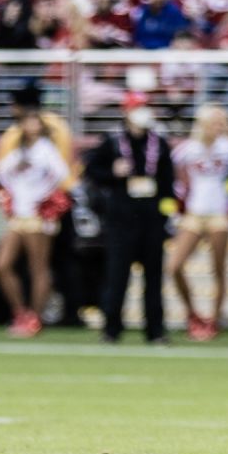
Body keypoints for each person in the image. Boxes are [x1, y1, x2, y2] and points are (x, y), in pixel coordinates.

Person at [84, 93, 175, 344]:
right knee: (117, 275)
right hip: (121, 219)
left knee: (154, 277)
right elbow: (91, 170)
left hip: (151, 219)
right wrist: (112, 172)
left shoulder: (159, 143)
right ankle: (111, 329)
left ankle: (155, 330)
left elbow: (168, 182)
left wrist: (167, 215)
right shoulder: (112, 142)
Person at [0, 109, 70, 338]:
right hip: (19, 214)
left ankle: (35, 317)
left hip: (37, 216)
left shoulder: (47, 150)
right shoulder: (19, 150)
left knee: (38, 267)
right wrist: (14, 193)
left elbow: (60, 173)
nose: (31, 126)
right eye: (27, 121)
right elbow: (1, 171)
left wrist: (41, 196)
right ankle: (20, 312)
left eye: (35, 122)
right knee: (2, 264)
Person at [168, 104, 228, 341]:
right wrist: (175, 206)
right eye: (214, 122)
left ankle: (213, 320)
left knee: (217, 269)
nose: (218, 127)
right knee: (174, 266)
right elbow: (175, 180)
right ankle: (193, 315)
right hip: (194, 213)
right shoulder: (187, 150)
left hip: (220, 213)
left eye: (221, 122)